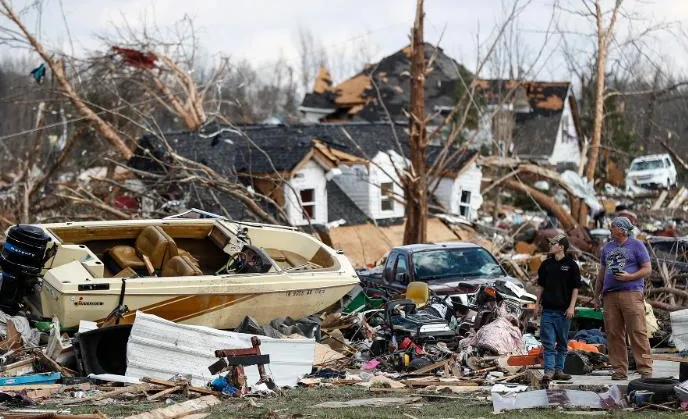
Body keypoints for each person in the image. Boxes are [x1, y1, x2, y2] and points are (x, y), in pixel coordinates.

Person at [594, 216, 653, 380]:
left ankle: (645, 369)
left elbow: (647, 269)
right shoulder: (607, 248)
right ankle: (619, 370)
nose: (610, 229)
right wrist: (596, 295)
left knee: (637, 331)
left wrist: (630, 276)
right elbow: (601, 273)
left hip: (631, 293)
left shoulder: (637, 245)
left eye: (612, 226)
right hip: (610, 295)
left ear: (621, 229)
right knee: (613, 333)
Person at [536, 233, 581, 382]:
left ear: (561, 247)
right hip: (548, 310)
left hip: (563, 311)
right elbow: (541, 286)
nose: (550, 246)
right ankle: (549, 371)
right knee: (548, 343)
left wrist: (571, 307)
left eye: (553, 244)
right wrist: (537, 304)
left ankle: (559, 370)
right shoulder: (546, 265)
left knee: (562, 343)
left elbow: (575, 288)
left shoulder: (572, 265)